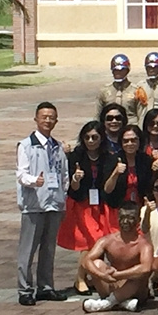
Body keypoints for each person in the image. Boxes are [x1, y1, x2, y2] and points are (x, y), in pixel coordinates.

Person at [17, 102, 71, 306]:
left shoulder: (57, 147)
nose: (48, 120)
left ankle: (45, 286)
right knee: (28, 249)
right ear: (36, 119)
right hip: (34, 204)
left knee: (49, 248)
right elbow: (21, 173)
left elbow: (63, 174)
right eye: (44, 117)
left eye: (51, 117)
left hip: (54, 204)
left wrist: (62, 197)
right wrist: (34, 181)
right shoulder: (26, 145)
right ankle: (24, 289)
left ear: (56, 121)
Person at [57, 121, 115, 294]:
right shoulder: (76, 156)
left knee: (99, 241)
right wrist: (76, 179)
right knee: (92, 241)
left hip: (100, 205)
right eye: (87, 137)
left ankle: (85, 276)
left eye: (95, 137)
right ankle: (81, 278)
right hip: (81, 204)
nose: (91, 141)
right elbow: (72, 187)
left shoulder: (108, 157)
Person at [80, 201, 152, 313]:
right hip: (112, 283)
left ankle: (107, 303)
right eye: (122, 217)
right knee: (96, 264)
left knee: (139, 274)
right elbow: (86, 260)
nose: (125, 221)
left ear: (138, 220)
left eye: (130, 218)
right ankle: (119, 302)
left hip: (135, 290)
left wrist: (119, 275)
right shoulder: (107, 240)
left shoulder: (143, 244)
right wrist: (102, 275)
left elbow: (146, 268)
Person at [96, 54, 148, 124]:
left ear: (127, 71)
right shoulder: (104, 91)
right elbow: (98, 115)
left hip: (131, 129)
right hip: (111, 128)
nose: (118, 73)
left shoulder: (137, 91)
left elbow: (142, 116)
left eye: (121, 70)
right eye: (116, 70)